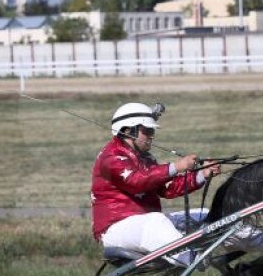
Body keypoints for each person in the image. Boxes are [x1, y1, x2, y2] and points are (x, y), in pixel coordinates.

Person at [91, 102, 221, 265]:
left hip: (144, 224)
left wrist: (203, 174)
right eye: (147, 131)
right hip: (115, 229)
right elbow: (137, 181)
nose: (151, 136)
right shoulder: (111, 157)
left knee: (208, 215)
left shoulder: (146, 158)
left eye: (152, 131)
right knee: (156, 221)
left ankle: (250, 244)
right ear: (128, 131)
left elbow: (168, 188)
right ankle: (190, 258)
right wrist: (177, 166)